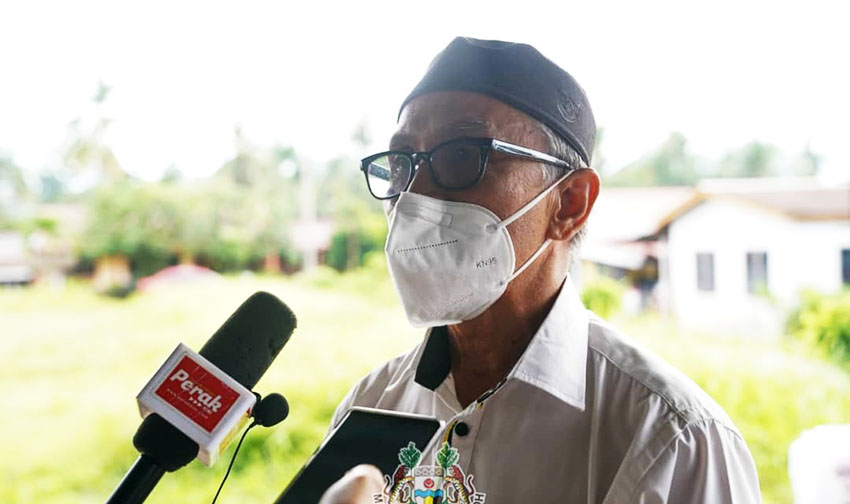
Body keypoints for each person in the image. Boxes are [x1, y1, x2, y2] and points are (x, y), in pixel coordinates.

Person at [325, 37, 761, 503]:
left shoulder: (671, 441)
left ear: (569, 203)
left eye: (461, 156)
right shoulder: (370, 408)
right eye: (401, 165)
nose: (414, 197)